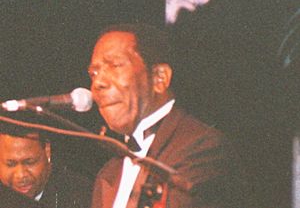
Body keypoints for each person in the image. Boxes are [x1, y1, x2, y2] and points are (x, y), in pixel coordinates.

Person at [88, 23, 245, 208]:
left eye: (114, 65)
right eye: (93, 73)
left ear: (159, 78)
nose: (97, 82)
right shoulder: (108, 174)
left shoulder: (202, 147)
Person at [0, 120, 93, 208]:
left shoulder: (81, 195)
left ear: (47, 152)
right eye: (10, 164)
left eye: (29, 162)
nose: (20, 175)